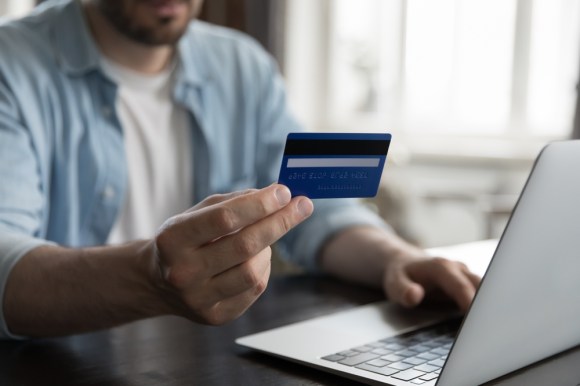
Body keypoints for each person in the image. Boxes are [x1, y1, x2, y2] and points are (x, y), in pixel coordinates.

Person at [0, 0, 480, 339]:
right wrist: (150, 278)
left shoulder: (242, 65)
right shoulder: (12, 65)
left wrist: (394, 258)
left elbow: (319, 209)